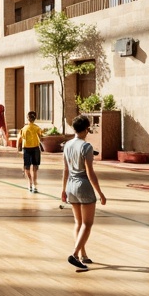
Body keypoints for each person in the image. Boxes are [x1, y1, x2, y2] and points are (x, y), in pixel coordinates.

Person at [60, 114, 106, 270]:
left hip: (71, 186)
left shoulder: (67, 145)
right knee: (87, 223)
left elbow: (66, 169)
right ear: (87, 129)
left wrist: (63, 189)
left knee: (78, 223)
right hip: (83, 186)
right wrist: (100, 193)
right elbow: (90, 172)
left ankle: (83, 255)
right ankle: (74, 254)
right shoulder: (86, 147)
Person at [17, 110, 43, 192]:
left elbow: (19, 140)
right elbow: (41, 137)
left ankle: (30, 182)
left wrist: (18, 149)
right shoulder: (37, 128)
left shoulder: (23, 128)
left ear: (27, 118)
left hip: (26, 149)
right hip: (35, 148)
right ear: (35, 118)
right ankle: (34, 184)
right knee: (35, 167)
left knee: (27, 167)